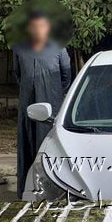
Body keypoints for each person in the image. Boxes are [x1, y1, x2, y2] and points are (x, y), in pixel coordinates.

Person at [13, 12, 72, 198]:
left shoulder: (59, 48)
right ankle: (25, 190)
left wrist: (53, 93)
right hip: (27, 106)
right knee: (27, 146)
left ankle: (54, 191)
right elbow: (18, 74)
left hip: (51, 107)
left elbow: (66, 77)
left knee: (49, 147)